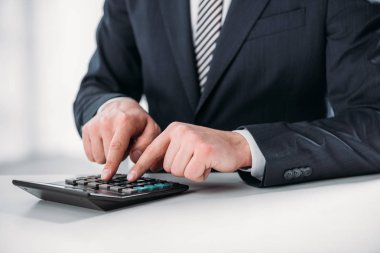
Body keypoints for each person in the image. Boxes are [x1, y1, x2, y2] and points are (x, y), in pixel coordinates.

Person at [74, 0, 380, 187]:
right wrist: (111, 107)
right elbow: (98, 85)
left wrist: (245, 146)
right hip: (157, 216)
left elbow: (373, 122)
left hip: (281, 217)